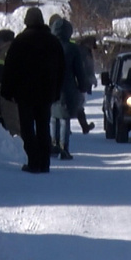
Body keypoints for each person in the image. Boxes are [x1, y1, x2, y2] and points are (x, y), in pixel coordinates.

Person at [1, 7, 65, 173]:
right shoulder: (53, 42)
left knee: (27, 128)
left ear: (27, 21)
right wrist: (57, 91)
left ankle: (33, 161)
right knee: (44, 127)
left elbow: (10, 68)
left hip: (25, 94)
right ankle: (44, 163)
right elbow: (61, 69)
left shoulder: (20, 41)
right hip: (46, 94)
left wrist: (7, 91)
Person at [50, 17, 89, 160]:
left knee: (53, 117)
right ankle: (64, 148)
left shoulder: (48, 47)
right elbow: (79, 70)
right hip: (68, 88)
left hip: (50, 88)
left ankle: (53, 146)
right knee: (65, 119)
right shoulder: (73, 49)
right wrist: (83, 86)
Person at [0, 29, 19, 135]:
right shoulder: (19, 50)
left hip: (7, 95)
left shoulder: (1, 54)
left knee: (13, 126)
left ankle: (18, 149)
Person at [75, 37, 97, 134]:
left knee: (78, 104)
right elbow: (88, 67)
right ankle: (84, 126)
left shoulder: (78, 49)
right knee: (79, 104)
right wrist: (91, 79)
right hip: (80, 81)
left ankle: (84, 126)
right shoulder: (84, 52)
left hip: (77, 80)